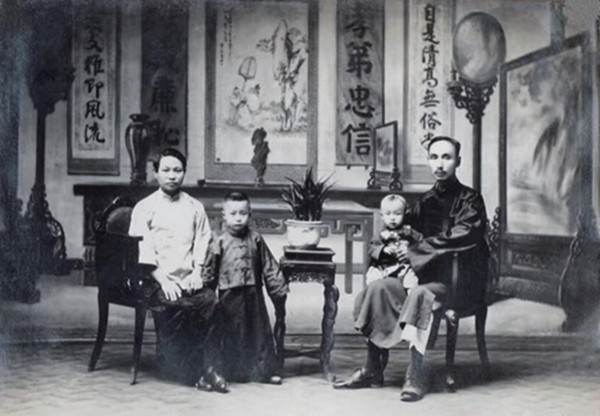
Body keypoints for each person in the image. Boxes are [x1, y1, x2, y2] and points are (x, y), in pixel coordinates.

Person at [128, 148, 228, 392]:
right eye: (166, 170)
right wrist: (163, 281)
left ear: (184, 172)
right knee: (179, 306)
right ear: (156, 173)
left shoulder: (194, 207)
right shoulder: (144, 207)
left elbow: (203, 241)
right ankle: (194, 373)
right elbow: (143, 251)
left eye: (177, 170)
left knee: (211, 302)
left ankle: (210, 367)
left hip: (187, 277)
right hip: (154, 279)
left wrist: (196, 272)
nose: (172, 175)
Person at [398, 136, 489, 401]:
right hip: (431, 276)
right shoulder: (426, 200)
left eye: (446, 157)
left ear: (458, 161)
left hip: (461, 281)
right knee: (382, 288)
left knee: (420, 294)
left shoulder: (471, 200)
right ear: (428, 161)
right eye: (434, 157)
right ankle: (373, 367)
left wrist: (419, 249)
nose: (439, 164)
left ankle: (414, 374)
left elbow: (464, 235)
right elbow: (406, 225)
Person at [333, 194, 420, 389]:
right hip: (385, 271)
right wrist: (383, 251)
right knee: (370, 291)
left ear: (405, 214)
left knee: (393, 286)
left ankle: (374, 370)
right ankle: (373, 369)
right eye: (388, 214)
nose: (392, 218)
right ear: (382, 215)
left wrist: (410, 250)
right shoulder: (381, 234)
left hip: (403, 274)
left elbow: (422, 245)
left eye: (397, 214)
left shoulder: (410, 232)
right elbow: (372, 249)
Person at [202, 191, 288, 385]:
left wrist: (278, 288)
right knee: (231, 333)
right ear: (224, 215)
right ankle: (231, 372)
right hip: (228, 296)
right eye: (233, 214)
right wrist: (207, 293)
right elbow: (209, 269)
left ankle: (265, 372)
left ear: (250, 214)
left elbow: (269, 266)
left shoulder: (256, 239)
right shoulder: (218, 241)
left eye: (243, 213)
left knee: (258, 333)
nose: (238, 218)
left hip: (253, 294)